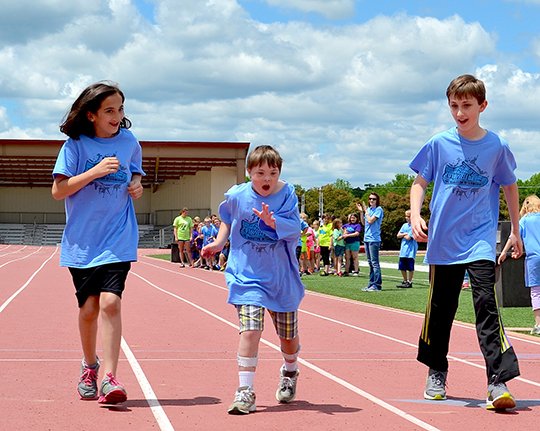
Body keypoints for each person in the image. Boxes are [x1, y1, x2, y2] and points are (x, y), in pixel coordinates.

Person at [409, 74, 522, 410]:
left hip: (480, 241)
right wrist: (415, 214)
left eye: (467, 105)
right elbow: (419, 182)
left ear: (482, 106)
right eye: (454, 106)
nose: (460, 112)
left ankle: (496, 380)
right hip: (443, 241)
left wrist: (515, 230)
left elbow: (510, 186)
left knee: (486, 305)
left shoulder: (496, 146)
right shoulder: (438, 144)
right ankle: (436, 370)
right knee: (440, 311)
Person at [51, 81, 145, 404]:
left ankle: (109, 376)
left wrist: (136, 185)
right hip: (83, 242)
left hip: (118, 237)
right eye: (109, 110)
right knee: (89, 308)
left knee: (110, 303)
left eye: (120, 109)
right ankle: (89, 366)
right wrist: (95, 172)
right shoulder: (75, 146)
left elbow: (136, 174)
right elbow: (59, 191)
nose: (117, 115)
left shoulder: (129, 142)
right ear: (91, 115)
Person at [201, 145, 304, 415]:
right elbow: (226, 218)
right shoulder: (237, 195)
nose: (267, 178)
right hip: (247, 276)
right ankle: (245, 391)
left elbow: (295, 229)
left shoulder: (287, 195)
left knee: (288, 338)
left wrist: (273, 223)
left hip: (280, 278)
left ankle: (290, 370)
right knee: (250, 330)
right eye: (260, 173)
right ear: (249, 173)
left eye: (273, 172)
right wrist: (219, 241)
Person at [499, 195, 540, 335]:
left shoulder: (524, 220)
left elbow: (513, 236)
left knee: (536, 291)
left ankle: (538, 324)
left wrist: (504, 252)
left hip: (533, 258)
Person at [357, 194, 384, 291]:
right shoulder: (368, 210)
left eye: (374, 199)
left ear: (377, 200)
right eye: (370, 199)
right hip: (367, 238)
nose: (371, 200)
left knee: (375, 263)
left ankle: (377, 285)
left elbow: (370, 220)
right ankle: (371, 283)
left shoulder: (378, 210)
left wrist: (365, 211)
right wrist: (361, 212)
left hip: (374, 239)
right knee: (370, 262)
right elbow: (364, 223)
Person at [396, 210, 418, 288]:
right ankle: (405, 280)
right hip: (403, 249)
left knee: (410, 267)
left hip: (411, 250)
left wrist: (403, 234)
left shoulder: (414, 226)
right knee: (402, 266)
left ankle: (409, 281)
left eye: (408, 216)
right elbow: (398, 235)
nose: (407, 218)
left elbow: (409, 238)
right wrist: (404, 234)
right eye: (406, 216)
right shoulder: (404, 225)